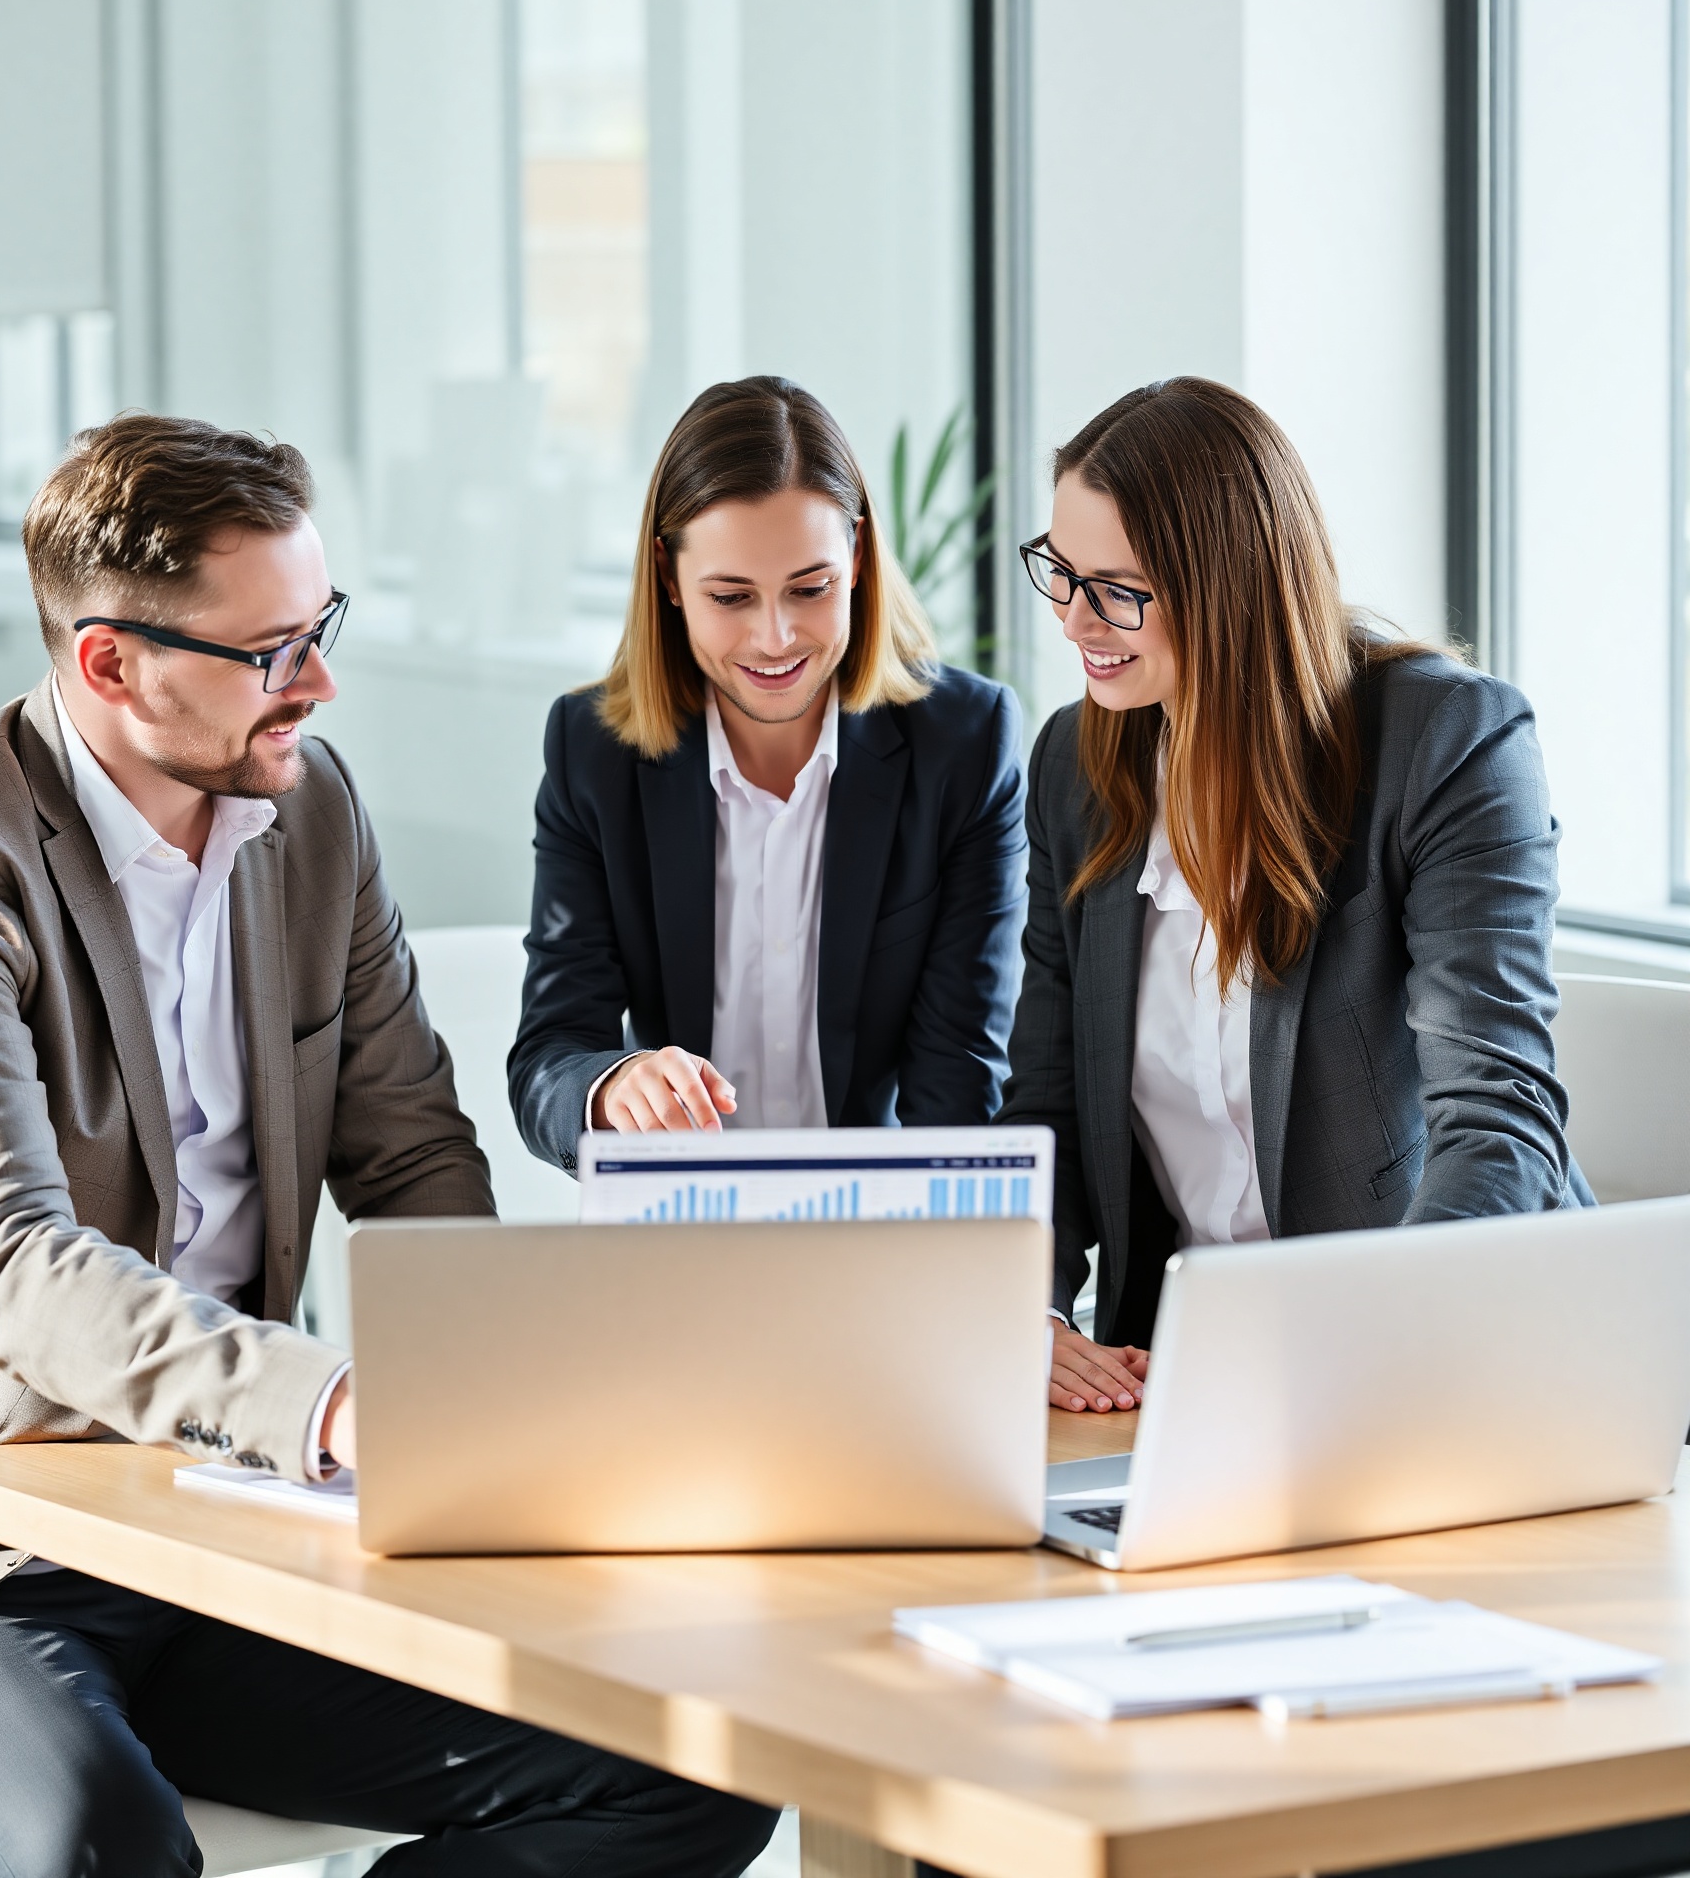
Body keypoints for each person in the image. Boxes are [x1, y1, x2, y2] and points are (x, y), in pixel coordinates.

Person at [0, 415, 776, 1878]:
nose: (321, 682)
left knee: (690, 1767)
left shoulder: (313, 816)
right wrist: (340, 1405)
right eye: (272, 650)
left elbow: (410, 1156)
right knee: (99, 1849)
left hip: (219, 1536)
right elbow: (16, 1265)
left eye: (320, 624)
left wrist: (489, 1395)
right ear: (109, 663)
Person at [1000, 377, 1592, 1417]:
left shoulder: (1446, 744)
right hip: (1186, 1385)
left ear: (1229, 585)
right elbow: (1043, 1107)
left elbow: (1496, 1119)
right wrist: (1027, 1315)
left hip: (1449, 1363)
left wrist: (1372, 1346)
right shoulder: (1073, 767)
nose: (1073, 620)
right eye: (1058, 572)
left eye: (1117, 589)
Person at [509, 375, 1027, 1168]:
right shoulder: (593, 754)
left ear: (856, 557)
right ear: (668, 579)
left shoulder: (966, 745)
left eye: (809, 588)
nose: (775, 638)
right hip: (679, 1230)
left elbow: (958, 1080)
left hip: (878, 1223)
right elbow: (551, 1056)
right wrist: (614, 1085)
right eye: (731, 596)